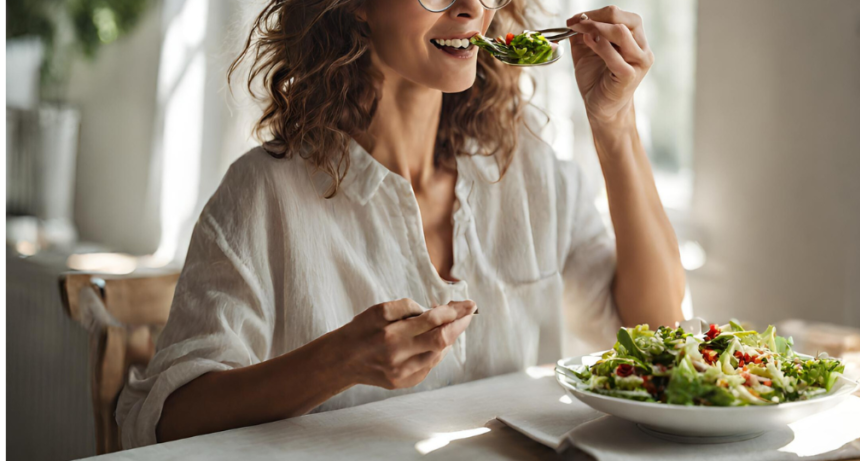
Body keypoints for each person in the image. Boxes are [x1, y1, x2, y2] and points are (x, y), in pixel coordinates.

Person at [116, 0, 685, 448]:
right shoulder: (264, 194)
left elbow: (657, 333)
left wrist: (614, 125)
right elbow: (168, 421)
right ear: (355, 3)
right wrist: (335, 362)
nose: (471, 8)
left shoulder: (530, 171)